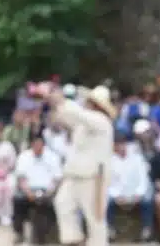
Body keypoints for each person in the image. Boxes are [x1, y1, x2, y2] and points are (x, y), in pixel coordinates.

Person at [42, 85, 116, 246]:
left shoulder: (101, 121)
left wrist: (61, 99)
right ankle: (74, 240)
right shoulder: (84, 123)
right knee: (62, 204)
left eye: (89, 101)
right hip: (74, 174)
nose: (86, 103)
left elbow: (77, 114)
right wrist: (54, 102)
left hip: (93, 176)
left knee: (94, 218)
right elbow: (64, 118)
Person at [12, 133, 62, 243]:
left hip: (48, 190)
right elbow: (21, 179)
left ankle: (52, 235)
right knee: (17, 199)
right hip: (28, 190)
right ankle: (19, 233)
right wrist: (29, 193)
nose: (38, 147)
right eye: (35, 144)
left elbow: (57, 179)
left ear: (44, 145)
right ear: (32, 145)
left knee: (56, 201)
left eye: (40, 144)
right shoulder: (24, 156)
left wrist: (49, 192)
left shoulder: (53, 157)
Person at [107, 133, 153, 241]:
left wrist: (138, 194)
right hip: (118, 194)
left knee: (147, 197)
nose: (120, 147)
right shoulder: (109, 161)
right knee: (106, 200)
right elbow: (107, 183)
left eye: (122, 144)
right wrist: (117, 196)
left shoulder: (137, 158)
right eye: (117, 145)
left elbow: (143, 178)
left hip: (136, 192)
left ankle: (147, 229)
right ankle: (109, 229)